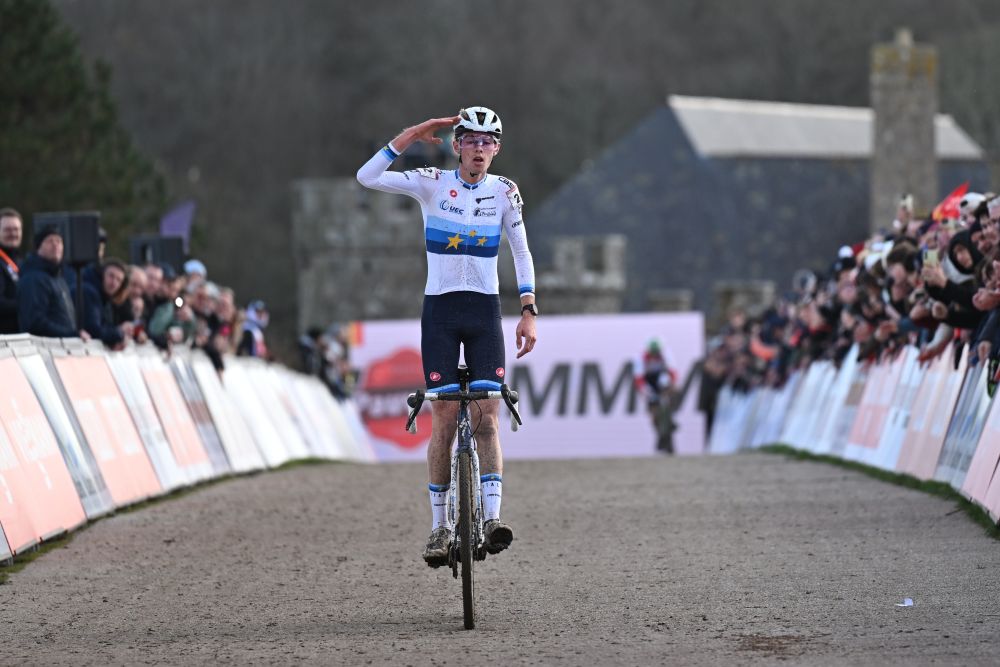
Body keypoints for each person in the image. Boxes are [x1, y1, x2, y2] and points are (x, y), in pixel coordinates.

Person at [357, 107, 538, 566]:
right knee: (442, 417)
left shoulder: (505, 192)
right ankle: (439, 528)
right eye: (471, 140)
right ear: (457, 144)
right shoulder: (433, 181)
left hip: (484, 311)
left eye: (488, 141)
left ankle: (493, 518)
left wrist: (528, 311)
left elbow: (521, 251)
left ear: (497, 149)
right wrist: (416, 133)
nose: (479, 149)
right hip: (439, 311)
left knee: (488, 417)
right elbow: (367, 176)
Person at [17, 225, 90, 339]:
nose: (55, 245)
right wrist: (70, 335)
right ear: (38, 248)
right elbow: (35, 323)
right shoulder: (33, 279)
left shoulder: (59, 278)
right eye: (49, 241)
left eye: (59, 241)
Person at [635, 339, 678, 453]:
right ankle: (663, 433)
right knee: (654, 416)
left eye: (656, 352)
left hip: (663, 384)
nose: (654, 355)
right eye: (652, 353)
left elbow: (673, 372)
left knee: (666, 409)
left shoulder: (666, 355)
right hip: (650, 386)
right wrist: (646, 392)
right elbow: (639, 379)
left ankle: (669, 436)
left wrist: (670, 387)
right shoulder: (641, 358)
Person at [0, 208, 24, 334]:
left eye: (16, 229)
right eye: (7, 230)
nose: (13, 233)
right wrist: (25, 304)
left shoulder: (21, 260)